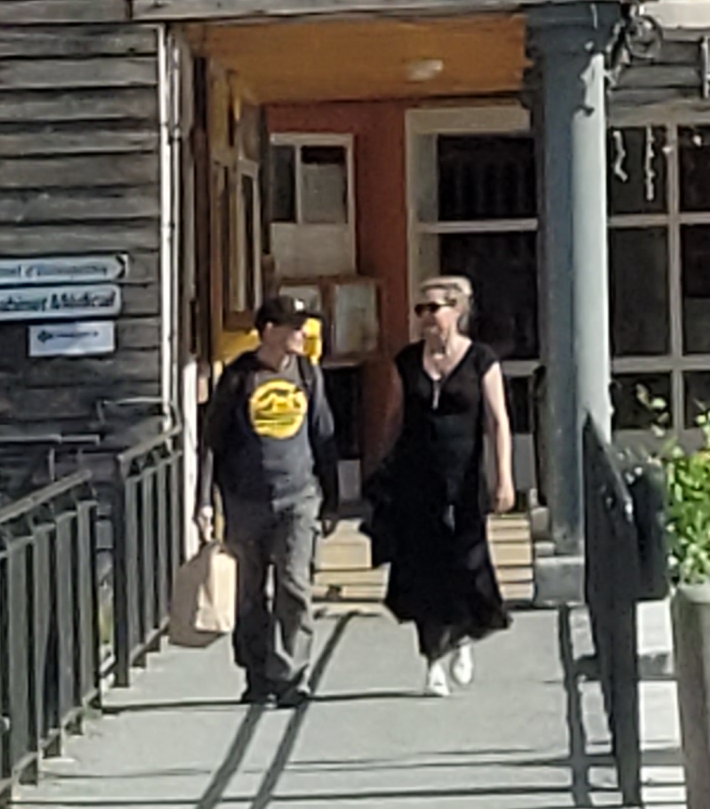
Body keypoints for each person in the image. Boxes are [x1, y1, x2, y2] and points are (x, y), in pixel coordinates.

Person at [364, 275, 516, 695]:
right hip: (416, 478)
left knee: (468, 561)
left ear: (457, 311)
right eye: (421, 310)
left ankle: (463, 636)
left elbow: (498, 421)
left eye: (434, 308)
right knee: (424, 567)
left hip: (464, 478)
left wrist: (504, 477)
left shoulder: (481, 360)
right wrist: (378, 467)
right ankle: (433, 658)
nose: (426, 317)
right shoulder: (406, 361)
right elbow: (394, 418)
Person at [200, 295, 337, 709]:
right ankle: (256, 673)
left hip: (299, 497)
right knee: (250, 591)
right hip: (246, 500)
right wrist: (205, 501)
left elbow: (323, 434)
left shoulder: (308, 373)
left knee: (295, 585)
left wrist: (332, 498)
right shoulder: (239, 377)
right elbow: (212, 442)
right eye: (294, 326)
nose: (302, 333)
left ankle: (291, 675)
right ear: (270, 331)